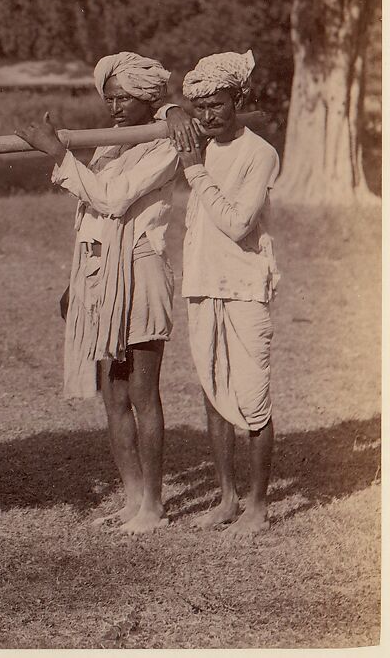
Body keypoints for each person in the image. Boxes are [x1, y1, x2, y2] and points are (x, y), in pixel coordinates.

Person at [15, 52, 200, 534]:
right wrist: (76, 281)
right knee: (112, 394)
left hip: (140, 270)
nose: (116, 107)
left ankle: (154, 507)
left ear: (149, 98)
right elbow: (90, 216)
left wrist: (59, 155)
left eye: (127, 98)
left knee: (142, 392)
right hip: (100, 273)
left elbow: (112, 200)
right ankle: (133, 498)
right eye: (111, 98)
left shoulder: (166, 141)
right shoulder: (110, 145)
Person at [177, 50, 279, 536]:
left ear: (238, 99)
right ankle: (227, 498)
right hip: (202, 283)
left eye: (217, 105)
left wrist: (195, 171)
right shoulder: (196, 139)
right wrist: (177, 117)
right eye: (199, 108)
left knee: (252, 397)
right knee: (214, 392)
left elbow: (238, 223)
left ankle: (258, 507)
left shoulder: (259, 153)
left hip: (243, 285)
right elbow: (154, 111)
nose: (208, 116)